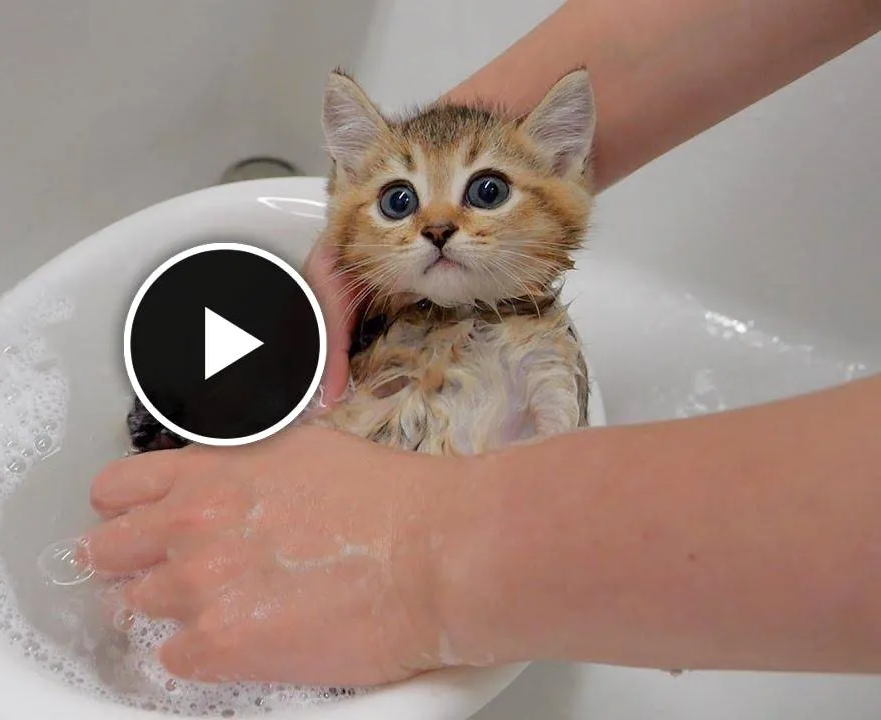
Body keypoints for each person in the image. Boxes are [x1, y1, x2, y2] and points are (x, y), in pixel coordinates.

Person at [81, 0, 881, 686]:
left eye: (486, 191)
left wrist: (422, 563)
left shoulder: (541, 351)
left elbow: (566, 477)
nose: (436, 224)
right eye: (399, 200)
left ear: (566, 170)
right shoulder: (377, 315)